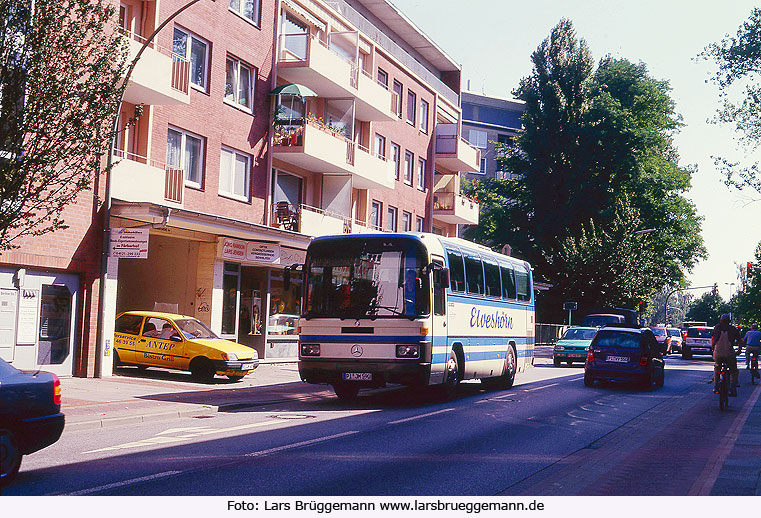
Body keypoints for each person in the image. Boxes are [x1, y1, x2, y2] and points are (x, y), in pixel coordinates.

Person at [712, 314, 744, 396]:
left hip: (718, 353)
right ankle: (732, 388)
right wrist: (739, 350)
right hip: (729, 353)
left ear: (720, 320)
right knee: (733, 370)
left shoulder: (716, 328)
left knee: (717, 367)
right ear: (729, 321)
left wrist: (713, 349)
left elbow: (713, 340)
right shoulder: (733, 329)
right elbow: (740, 341)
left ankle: (716, 386)